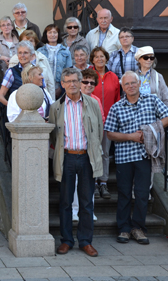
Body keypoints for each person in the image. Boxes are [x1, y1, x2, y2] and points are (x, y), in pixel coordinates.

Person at [105, 71, 168, 245]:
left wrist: (151, 129)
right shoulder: (117, 107)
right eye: (127, 84)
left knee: (143, 194)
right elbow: (110, 134)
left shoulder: (152, 100)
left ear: (139, 83)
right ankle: (124, 228)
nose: (130, 86)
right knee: (124, 194)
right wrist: (131, 137)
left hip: (145, 155)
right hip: (124, 157)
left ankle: (138, 229)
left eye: (133, 83)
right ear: (123, 87)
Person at [50, 68, 103, 258]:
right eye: (68, 81)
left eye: (75, 80)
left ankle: (86, 241)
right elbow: (53, 136)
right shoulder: (56, 107)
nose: (72, 84)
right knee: (65, 201)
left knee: (86, 202)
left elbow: (99, 131)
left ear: (80, 82)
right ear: (62, 84)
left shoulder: (92, 103)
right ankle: (66, 240)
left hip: (86, 156)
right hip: (67, 157)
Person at [70, 68, 104, 222]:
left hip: (91, 146)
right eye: (85, 81)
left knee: (91, 182)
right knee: (75, 182)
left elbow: (100, 123)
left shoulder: (96, 101)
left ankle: (89, 211)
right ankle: (74, 210)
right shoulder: (71, 99)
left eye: (92, 82)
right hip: (75, 147)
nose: (89, 84)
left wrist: (96, 143)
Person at [89, 47, 120, 200]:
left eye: (102, 56)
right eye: (96, 57)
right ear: (92, 60)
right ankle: (93, 182)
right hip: (92, 121)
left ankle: (103, 182)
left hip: (108, 121)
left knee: (105, 153)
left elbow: (117, 100)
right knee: (93, 151)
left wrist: (115, 119)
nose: (99, 59)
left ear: (106, 59)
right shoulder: (88, 76)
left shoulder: (113, 77)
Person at [8, 30, 55, 98]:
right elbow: (10, 83)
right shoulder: (14, 59)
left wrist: (51, 101)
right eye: (25, 41)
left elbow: (50, 82)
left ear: (35, 43)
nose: (28, 43)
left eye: (31, 41)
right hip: (21, 98)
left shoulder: (42, 57)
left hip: (41, 96)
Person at [135, 46, 168, 119]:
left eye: (151, 58)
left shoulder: (158, 76)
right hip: (138, 114)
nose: (149, 60)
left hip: (155, 114)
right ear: (139, 59)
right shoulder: (133, 76)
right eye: (146, 57)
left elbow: (167, 97)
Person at [0, 41, 44, 106]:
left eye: (25, 53)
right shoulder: (11, 72)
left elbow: (43, 92)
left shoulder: (37, 70)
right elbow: (0, 96)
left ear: (32, 55)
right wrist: (13, 108)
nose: (22, 55)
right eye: (20, 53)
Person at [37, 24, 72, 98]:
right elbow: (36, 70)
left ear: (58, 35)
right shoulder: (39, 52)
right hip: (43, 86)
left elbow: (68, 71)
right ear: (46, 35)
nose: (52, 35)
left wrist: (61, 87)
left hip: (61, 87)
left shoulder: (66, 51)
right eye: (50, 32)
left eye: (55, 32)